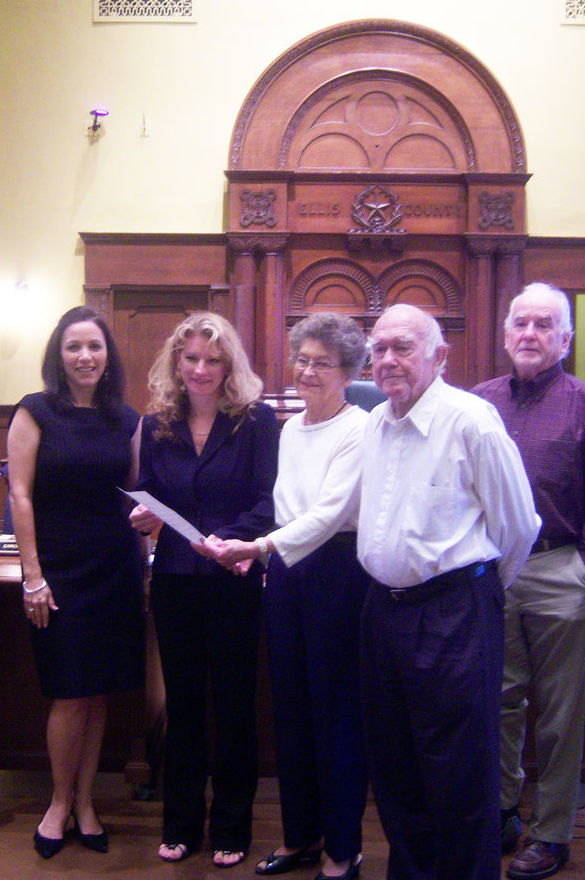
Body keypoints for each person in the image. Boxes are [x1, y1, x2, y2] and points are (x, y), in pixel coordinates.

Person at [358, 303, 540, 880]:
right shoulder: (375, 423)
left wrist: (474, 595)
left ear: (439, 355)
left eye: (404, 347)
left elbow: (517, 527)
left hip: (453, 615)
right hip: (383, 613)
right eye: (380, 347)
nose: (388, 360)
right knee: (396, 768)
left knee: (459, 775)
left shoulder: (472, 421)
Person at [211, 313, 373, 880]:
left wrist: (256, 549)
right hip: (285, 574)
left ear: (349, 371)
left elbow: (328, 516)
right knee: (292, 713)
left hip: (336, 575)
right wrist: (259, 550)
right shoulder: (290, 428)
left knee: (336, 714)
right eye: (301, 359)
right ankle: (303, 836)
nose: (306, 370)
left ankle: (343, 846)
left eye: (321, 363)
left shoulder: (361, 428)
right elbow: (284, 506)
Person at [471, 283, 585, 880]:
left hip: (560, 568)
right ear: (506, 335)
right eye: (521, 324)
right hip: (492, 567)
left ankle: (552, 832)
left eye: (544, 325)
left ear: (565, 337)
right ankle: (504, 810)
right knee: (499, 699)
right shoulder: (479, 402)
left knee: (559, 713)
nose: (530, 334)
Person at [129, 311, 278, 869]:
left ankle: (232, 826)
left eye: (212, 359)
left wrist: (232, 541)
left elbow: (269, 501)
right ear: (176, 362)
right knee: (184, 705)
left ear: (229, 364)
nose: (200, 369)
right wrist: (145, 514)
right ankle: (181, 822)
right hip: (173, 580)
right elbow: (147, 490)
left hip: (234, 578)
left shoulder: (256, 422)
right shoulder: (159, 421)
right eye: (190, 358)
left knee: (236, 705)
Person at [6, 306, 145, 859]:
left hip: (114, 567)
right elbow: (19, 494)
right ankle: (58, 802)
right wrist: (32, 576)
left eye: (94, 347)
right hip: (59, 570)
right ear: (57, 356)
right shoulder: (34, 411)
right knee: (68, 691)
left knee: (98, 690)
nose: (85, 357)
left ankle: (87, 801)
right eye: (73, 347)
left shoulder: (128, 420)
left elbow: (136, 496)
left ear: (108, 355)